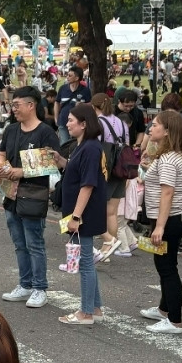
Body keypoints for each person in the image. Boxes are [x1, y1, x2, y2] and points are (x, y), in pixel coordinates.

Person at [0, 86, 60, 310]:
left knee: (35, 243)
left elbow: (51, 164)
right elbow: (2, 153)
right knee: (19, 244)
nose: (13, 109)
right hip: (10, 194)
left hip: (33, 196)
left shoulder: (46, 133)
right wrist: (1, 165)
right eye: (12, 105)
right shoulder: (11, 130)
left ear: (31, 105)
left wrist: (21, 172)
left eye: (17, 105)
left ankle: (40, 288)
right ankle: (25, 284)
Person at [140, 109, 182, 334]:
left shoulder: (169, 159)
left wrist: (160, 226)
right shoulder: (171, 155)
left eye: (155, 125)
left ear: (168, 131)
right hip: (171, 217)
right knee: (166, 264)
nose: (151, 128)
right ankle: (164, 309)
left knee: (167, 267)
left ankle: (174, 320)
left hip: (169, 219)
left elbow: (167, 193)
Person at [53, 104, 107, 325]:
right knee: (86, 262)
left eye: (71, 120)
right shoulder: (82, 145)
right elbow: (78, 172)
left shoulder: (91, 148)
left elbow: (88, 184)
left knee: (85, 262)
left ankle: (85, 313)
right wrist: (61, 161)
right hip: (80, 212)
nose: (67, 124)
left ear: (84, 124)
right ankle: (95, 308)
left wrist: (76, 217)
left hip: (84, 213)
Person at [91, 92, 128, 261]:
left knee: (96, 210)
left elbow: (96, 147)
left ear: (94, 107)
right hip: (122, 168)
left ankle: (108, 243)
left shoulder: (98, 123)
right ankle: (108, 249)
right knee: (112, 212)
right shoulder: (122, 123)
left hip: (106, 169)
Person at [54, 66, 91, 144]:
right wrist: (56, 118)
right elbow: (57, 102)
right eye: (67, 75)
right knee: (64, 144)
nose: (67, 77)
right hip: (63, 121)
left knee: (78, 144)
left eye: (70, 75)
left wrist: (83, 105)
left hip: (79, 124)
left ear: (77, 78)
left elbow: (90, 104)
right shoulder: (62, 89)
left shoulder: (85, 90)